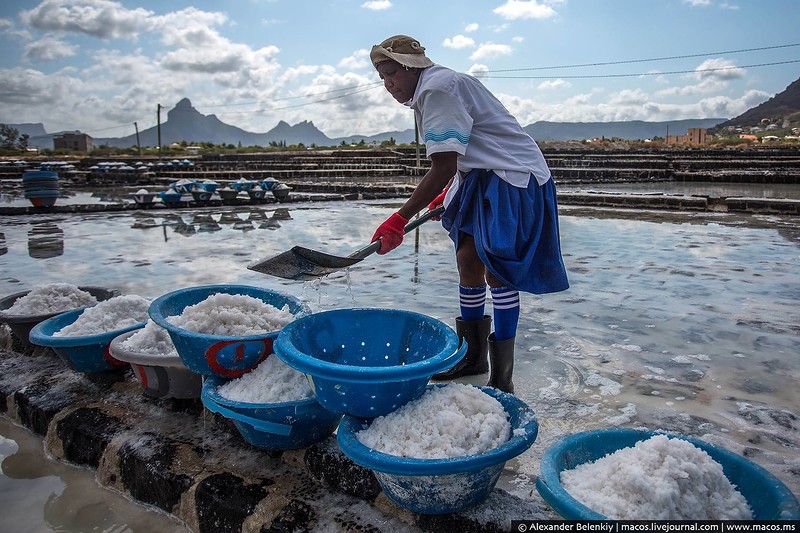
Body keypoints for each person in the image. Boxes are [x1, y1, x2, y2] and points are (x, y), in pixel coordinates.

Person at [369, 35, 569, 394]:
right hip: (481, 175)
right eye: (382, 76)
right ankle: (472, 357)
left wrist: (399, 219)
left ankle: (502, 376)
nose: (388, 84)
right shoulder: (433, 89)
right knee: (467, 259)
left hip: (511, 176)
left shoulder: (438, 90)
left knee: (497, 268)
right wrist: (447, 194)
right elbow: (463, 153)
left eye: (391, 73)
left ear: (411, 67)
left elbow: (443, 165)